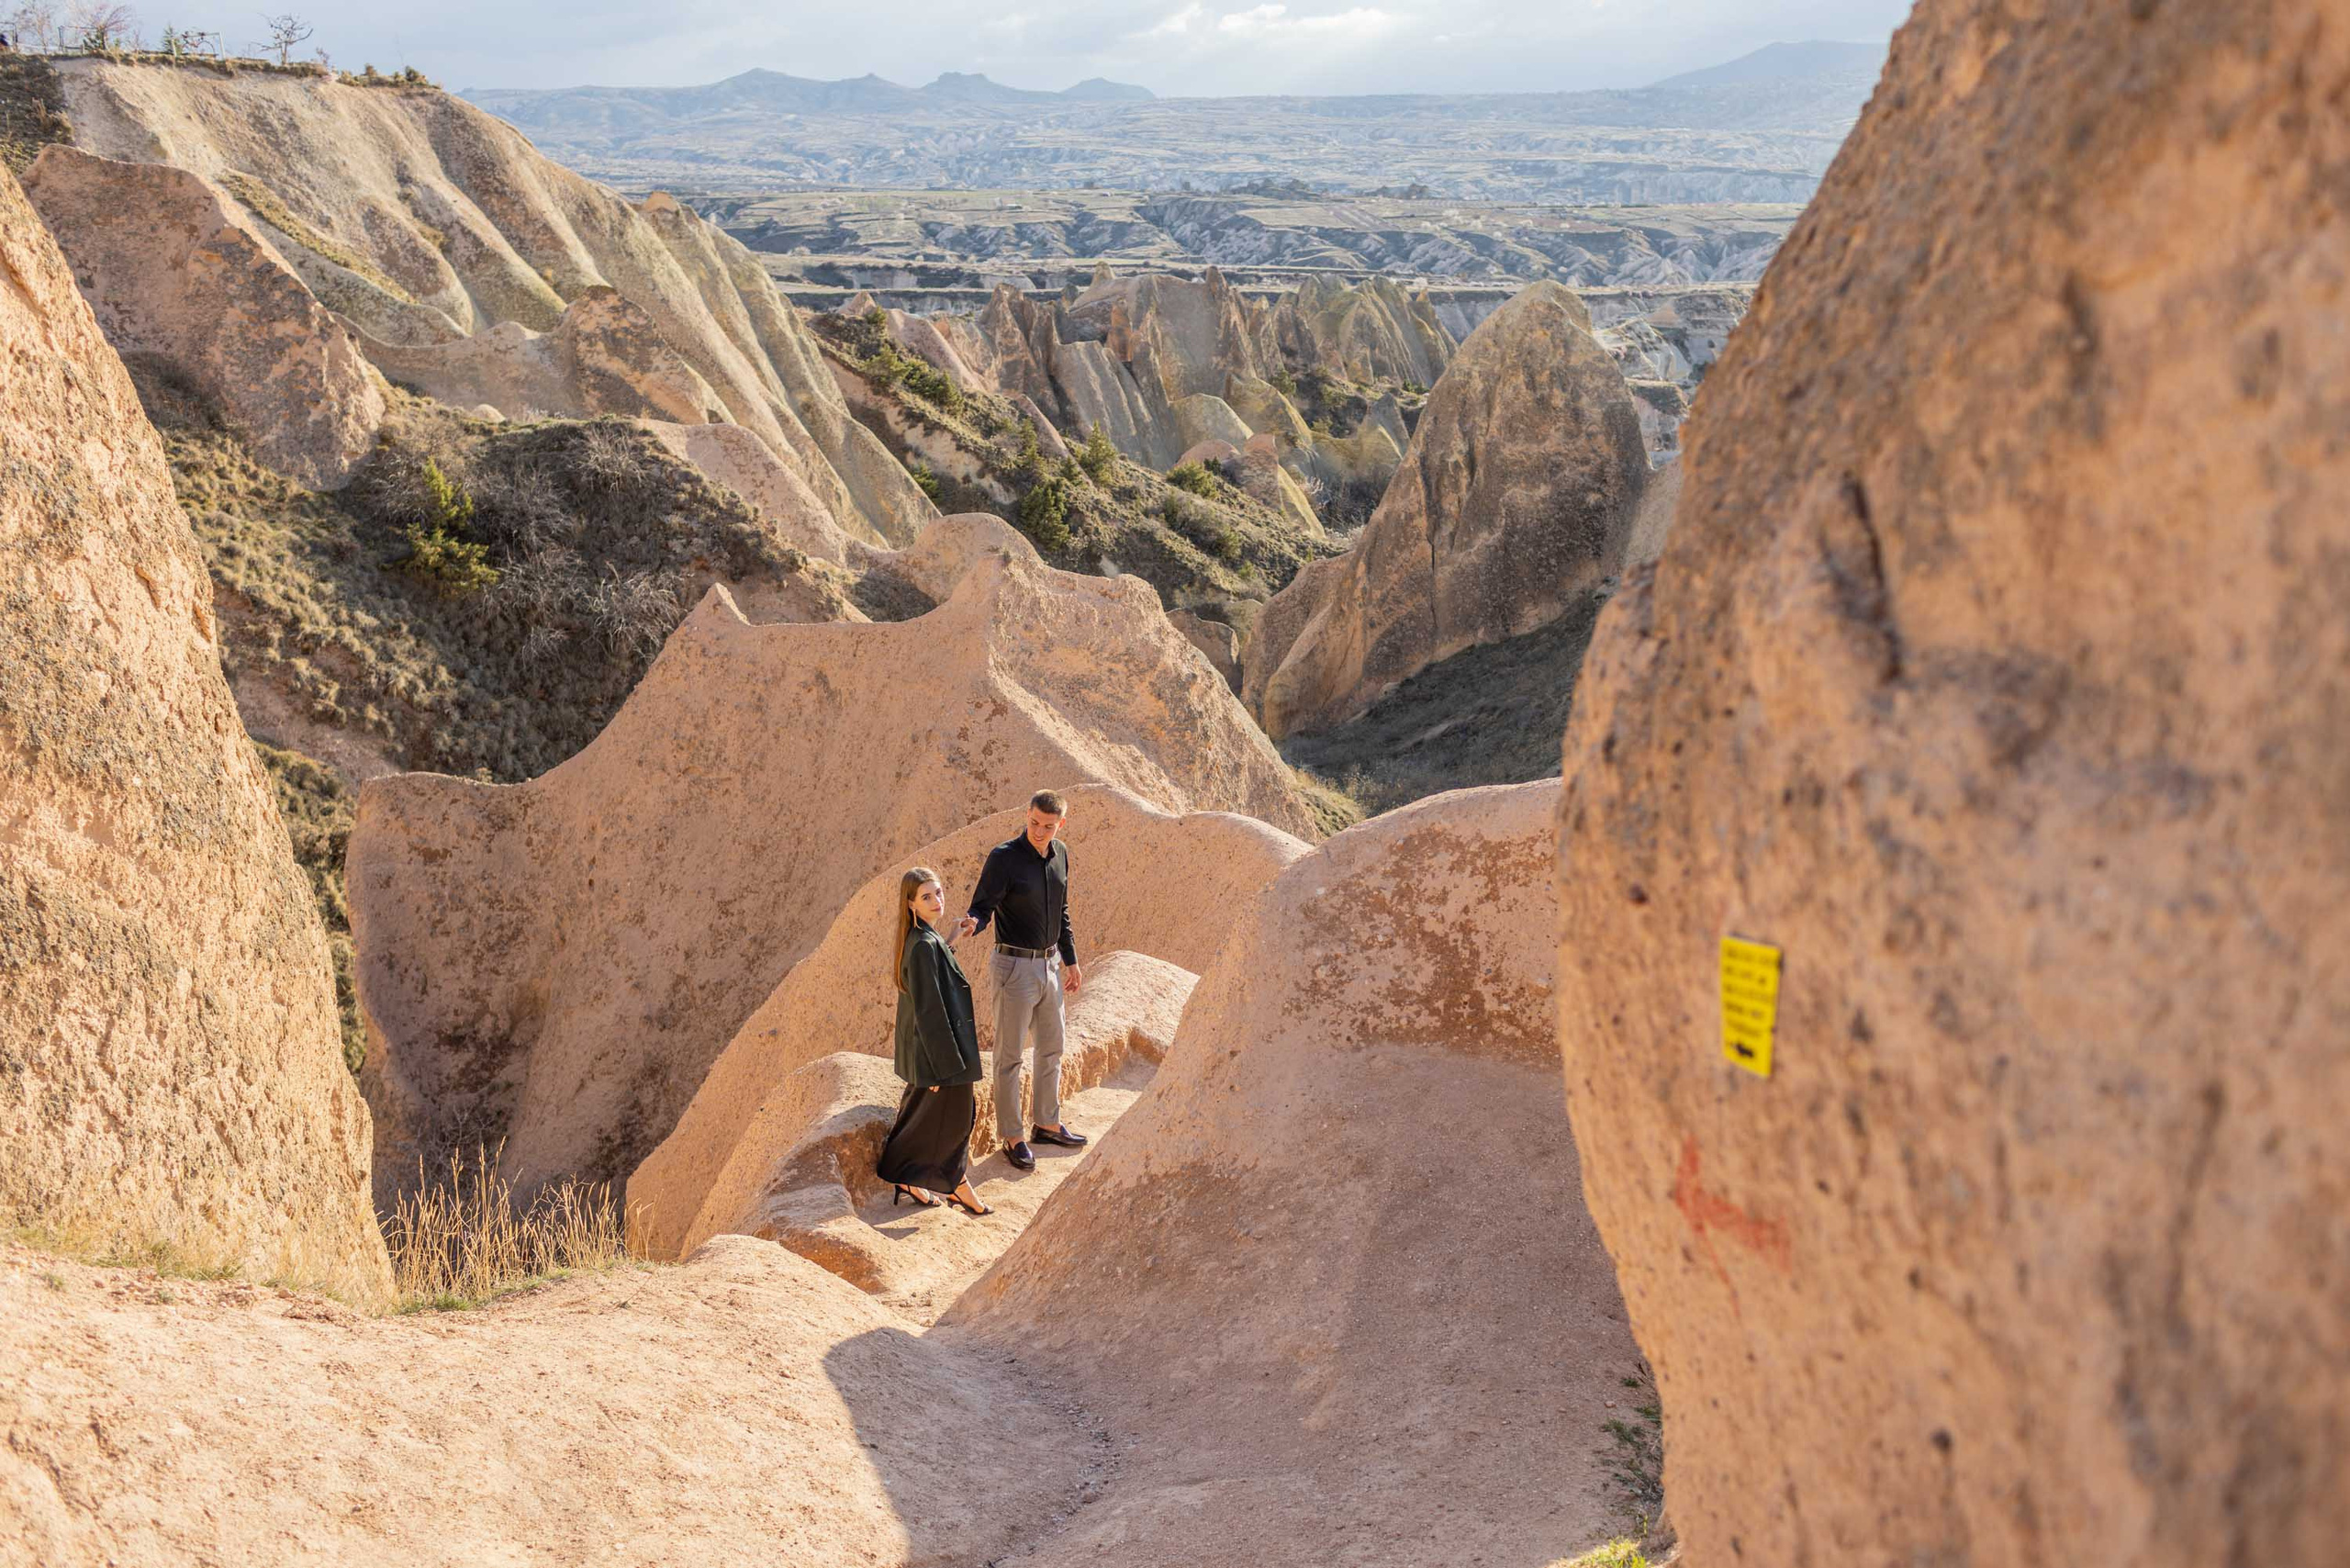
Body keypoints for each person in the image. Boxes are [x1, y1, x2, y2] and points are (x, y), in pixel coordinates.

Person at [955, 789, 1087, 1171]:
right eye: (1034, 823)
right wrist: (972, 923)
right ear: (1026, 815)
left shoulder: (1060, 854)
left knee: (1052, 1048)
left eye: (1049, 825)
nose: (1040, 831)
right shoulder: (1005, 858)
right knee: (1009, 1056)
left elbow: (1061, 911)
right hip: (1013, 967)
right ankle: (1012, 1136)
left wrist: (1071, 961)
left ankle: (1046, 1123)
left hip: (1049, 966)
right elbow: (983, 906)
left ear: (1060, 824)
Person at [876, 867, 991, 1215]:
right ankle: (956, 1185)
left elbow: (935, 976)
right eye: (927, 896)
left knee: (934, 1117)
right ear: (911, 904)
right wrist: (943, 1070)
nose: (937, 901)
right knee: (956, 1120)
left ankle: (912, 1179)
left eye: (938, 893)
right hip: (943, 1054)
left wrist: (951, 939)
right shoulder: (923, 946)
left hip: (941, 1051)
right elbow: (931, 1013)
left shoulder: (924, 939)